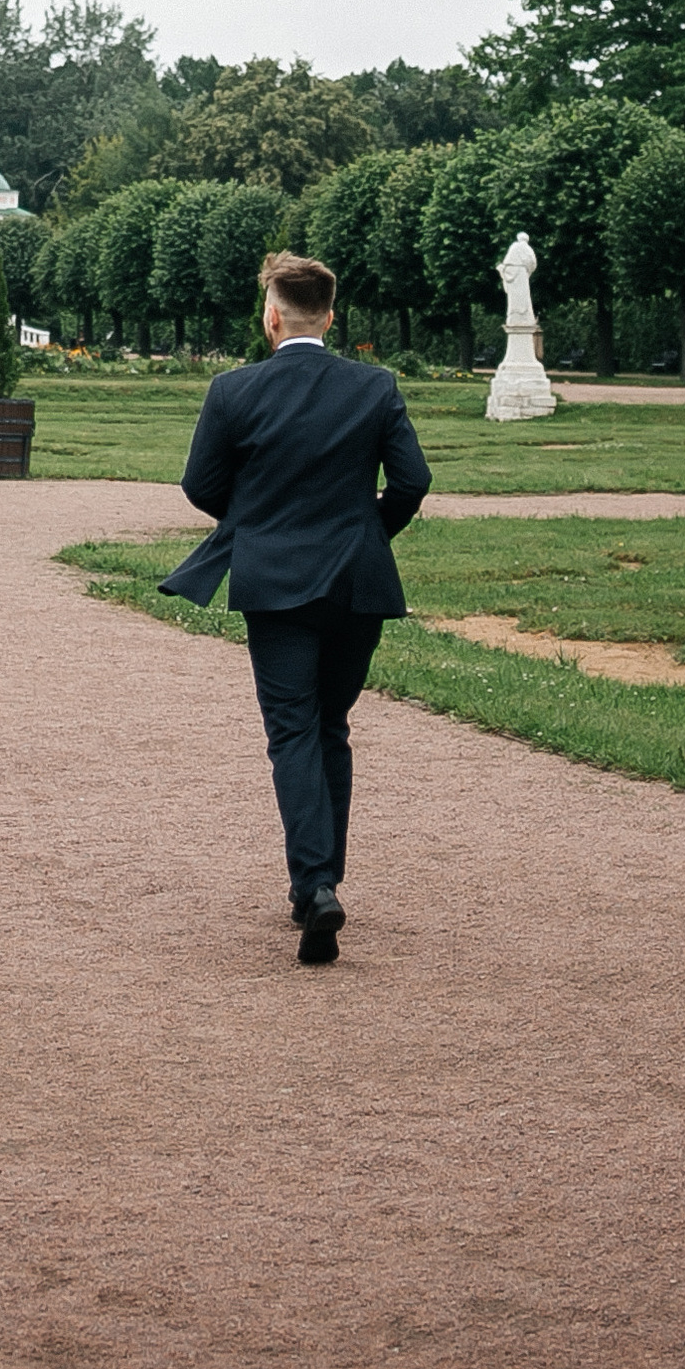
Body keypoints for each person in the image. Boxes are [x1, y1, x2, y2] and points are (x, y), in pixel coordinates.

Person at [163, 255, 430, 967]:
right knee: (330, 725)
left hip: (275, 582)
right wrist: (367, 532)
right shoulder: (375, 385)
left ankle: (314, 885)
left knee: (292, 731)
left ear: (272, 316)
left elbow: (200, 484)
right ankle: (322, 879)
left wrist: (260, 523)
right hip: (357, 581)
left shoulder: (234, 389)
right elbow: (412, 480)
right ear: (331, 317)